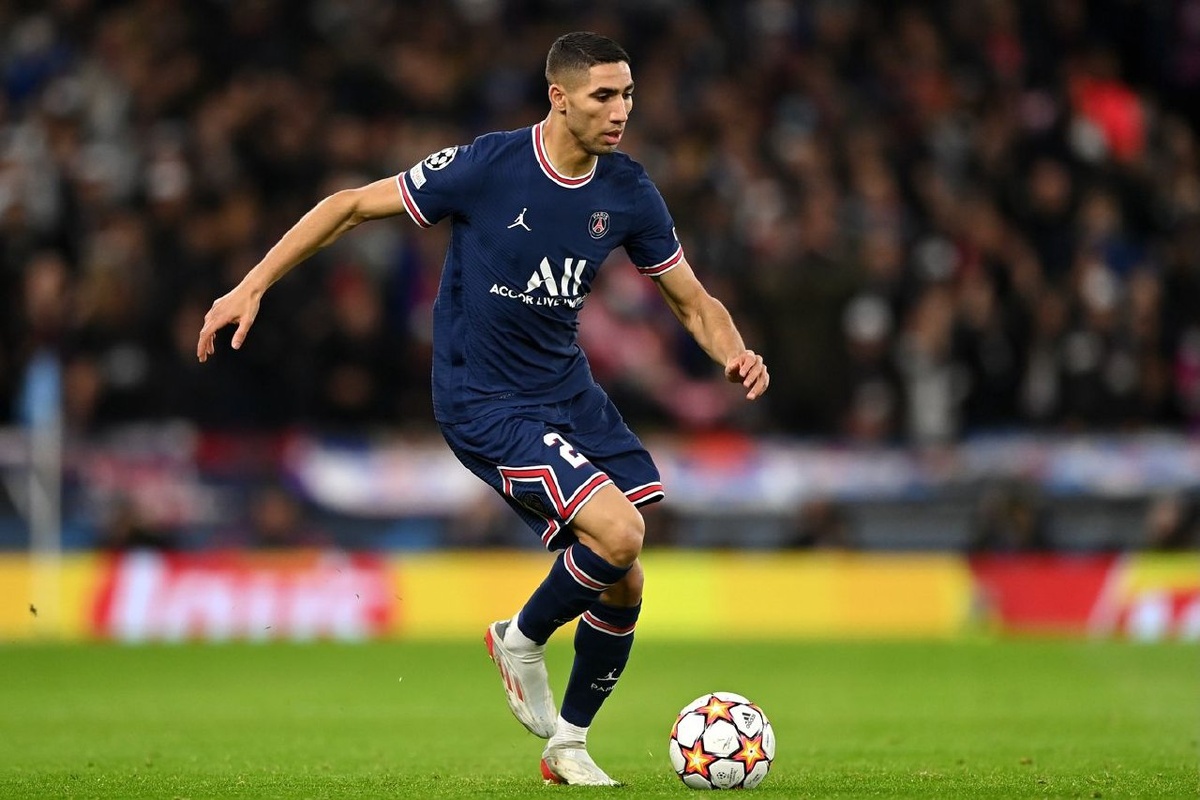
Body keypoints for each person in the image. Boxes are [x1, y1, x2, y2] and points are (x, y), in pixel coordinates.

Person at [196, 31, 769, 786]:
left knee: (623, 575)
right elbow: (350, 206)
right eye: (603, 95)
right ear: (559, 98)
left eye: (628, 94)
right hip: (483, 397)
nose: (621, 110)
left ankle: (568, 746)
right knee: (620, 532)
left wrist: (733, 351)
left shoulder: (628, 190)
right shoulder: (487, 166)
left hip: (569, 393)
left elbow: (691, 299)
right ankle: (519, 637)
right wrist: (252, 285)